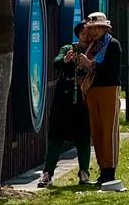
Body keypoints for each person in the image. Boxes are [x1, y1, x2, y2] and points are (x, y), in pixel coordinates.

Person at [37, 22, 92, 188]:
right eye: (83, 33)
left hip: (83, 97)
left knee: (83, 135)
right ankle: (48, 173)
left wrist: (87, 62)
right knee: (55, 135)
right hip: (64, 98)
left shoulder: (95, 49)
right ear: (78, 34)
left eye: (89, 33)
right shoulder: (69, 48)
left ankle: (84, 172)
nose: (87, 37)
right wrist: (66, 59)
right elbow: (56, 63)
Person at [79, 11, 122, 185]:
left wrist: (91, 64)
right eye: (91, 28)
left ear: (105, 28)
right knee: (96, 131)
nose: (94, 31)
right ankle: (102, 168)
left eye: (97, 28)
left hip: (109, 88)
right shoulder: (91, 46)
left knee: (108, 130)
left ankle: (110, 170)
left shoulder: (112, 45)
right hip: (92, 89)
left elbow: (110, 69)